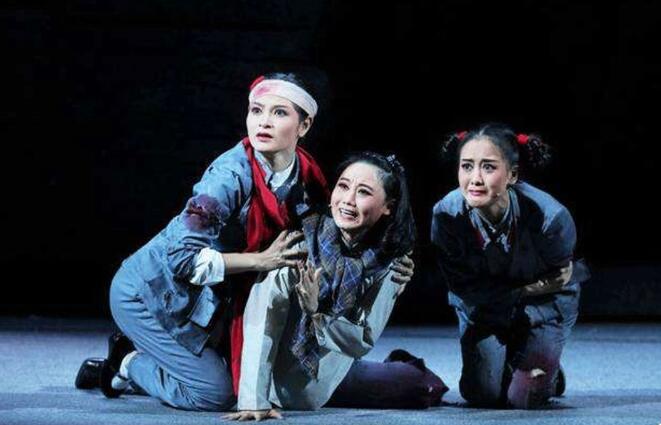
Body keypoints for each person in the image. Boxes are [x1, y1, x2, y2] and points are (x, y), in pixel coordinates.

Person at [75, 73, 415, 411]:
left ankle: (168, 365)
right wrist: (260, 260)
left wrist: (390, 260)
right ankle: (127, 361)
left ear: (304, 125)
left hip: (213, 300)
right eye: (256, 110)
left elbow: (332, 234)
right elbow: (181, 258)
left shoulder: (307, 175)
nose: (263, 122)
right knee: (215, 394)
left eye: (279, 112)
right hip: (154, 291)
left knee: (253, 372)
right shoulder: (228, 178)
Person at [225, 152, 446, 421]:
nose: (348, 200)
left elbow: (363, 339)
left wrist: (317, 312)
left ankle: (400, 365)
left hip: (329, 371)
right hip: (275, 362)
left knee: (418, 386)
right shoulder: (302, 244)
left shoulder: (390, 264)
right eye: (343, 186)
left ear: (388, 206)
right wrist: (253, 400)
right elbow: (264, 314)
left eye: (363, 192)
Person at [431, 123, 589, 409]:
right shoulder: (447, 215)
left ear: (512, 175)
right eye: (467, 167)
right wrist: (505, 298)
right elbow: (460, 283)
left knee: (523, 397)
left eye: (488, 167)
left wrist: (522, 293)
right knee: (481, 393)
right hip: (484, 305)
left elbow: (560, 277)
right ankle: (515, 360)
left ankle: (545, 370)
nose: (475, 179)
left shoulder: (548, 216)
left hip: (543, 305)